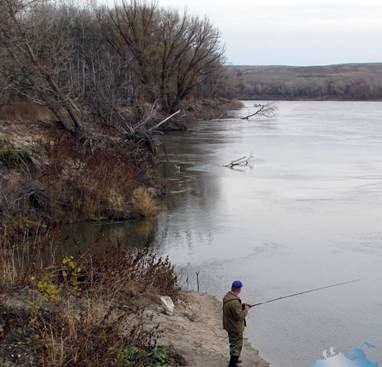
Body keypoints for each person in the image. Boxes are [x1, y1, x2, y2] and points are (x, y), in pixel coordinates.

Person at [223, 280, 250, 367]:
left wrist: (241, 306)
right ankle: (232, 364)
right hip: (234, 327)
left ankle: (234, 360)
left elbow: (233, 310)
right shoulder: (234, 301)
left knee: (233, 343)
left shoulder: (227, 296)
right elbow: (240, 316)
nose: (240, 290)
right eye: (240, 288)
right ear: (238, 289)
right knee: (237, 346)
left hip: (229, 325)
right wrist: (246, 309)